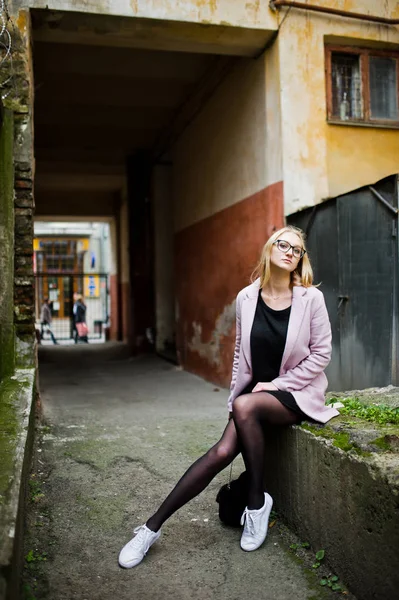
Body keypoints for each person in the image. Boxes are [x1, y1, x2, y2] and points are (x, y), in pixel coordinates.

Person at [118, 225, 339, 569]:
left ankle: (255, 502)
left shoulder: (312, 299)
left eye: (296, 250)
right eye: (283, 245)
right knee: (221, 450)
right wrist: (236, 399)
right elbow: (240, 356)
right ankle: (149, 529)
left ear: (299, 261)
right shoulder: (246, 298)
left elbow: (321, 354)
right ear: (269, 249)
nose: (289, 252)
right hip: (252, 398)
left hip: (295, 393)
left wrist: (278, 385)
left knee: (246, 406)